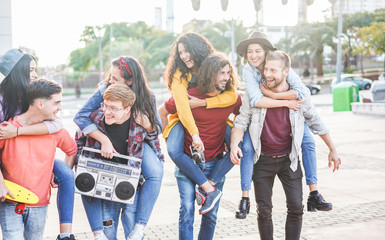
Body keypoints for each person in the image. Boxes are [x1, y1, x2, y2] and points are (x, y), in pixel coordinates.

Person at [230, 50, 341, 240]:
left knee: (297, 208)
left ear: (286, 71)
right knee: (264, 211)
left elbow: (315, 120)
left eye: (274, 70)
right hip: (262, 161)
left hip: (288, 161)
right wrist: (234, 145)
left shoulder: (299, 96)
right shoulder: (255, 95)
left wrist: (332, 149)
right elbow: (241, 122)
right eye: (266, 69)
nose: (268, 74)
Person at [73, 56, 163, 240]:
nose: (109, 81)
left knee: (156, 172)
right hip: (107, 148)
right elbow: (80, 117)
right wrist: (103, 139)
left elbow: (157, 129)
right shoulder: (104, 91)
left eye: (115, 78)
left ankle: (140, 226)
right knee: (87, 180)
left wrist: (146, 123)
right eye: (110, 76)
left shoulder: (148, 96)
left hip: (136, 142)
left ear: (130, 81)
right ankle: (98, 233)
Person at [159, 52, 242, 240]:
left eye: (228, 73)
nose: (226, 78)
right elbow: (162, 112)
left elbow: (242, 118)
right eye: (221, 73)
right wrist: (169, 138)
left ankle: (209, 187)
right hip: (188, 164)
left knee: (210, 216)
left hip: (215, 164)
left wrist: (233, 138)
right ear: (210, 73)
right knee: (187, 212)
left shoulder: (231, 98)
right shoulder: (190, 96)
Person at [0, 48, 77, 240]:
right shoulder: (2, 101)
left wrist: (17, 131)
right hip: (7, 157)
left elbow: (56, 124)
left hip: (29, 153)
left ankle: (65, 234)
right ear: (17, 72)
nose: (35, 75)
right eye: (30, 70)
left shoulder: (30, 96)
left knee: (66, 174)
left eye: (35, 69)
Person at [163, 32, 240, 205]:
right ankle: (208, 188)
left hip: (214, 118)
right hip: (183, 119)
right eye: (180, 52)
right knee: (174, 150)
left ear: (197, 49)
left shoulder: (213, 65)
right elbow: (182, 106)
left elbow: (232, 95)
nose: (183, 56)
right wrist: (193, 133)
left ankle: (213, 183)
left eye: (186, 51)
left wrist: (204, 103)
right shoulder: (179, 74)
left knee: (241, 146)